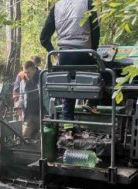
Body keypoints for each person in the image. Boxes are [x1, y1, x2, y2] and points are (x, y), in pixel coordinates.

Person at [39, 0, 100, 139]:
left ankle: (68, 130)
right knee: (102, 74)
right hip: (84, 53)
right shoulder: (87, 3)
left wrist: (54, 52)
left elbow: (43, 37)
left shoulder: (57, 7)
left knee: (67, 87)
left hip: (65, 55)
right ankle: (91, 103)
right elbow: (95, 32)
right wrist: (93, 51)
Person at [17, 60, 41, 140]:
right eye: (25, 72)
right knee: (25, 136)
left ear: (34, 70)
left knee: (40, 137)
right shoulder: (22, 82)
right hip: (28, 114)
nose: (27, 75)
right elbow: (22, 97)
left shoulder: (41, 78)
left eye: (28, 72)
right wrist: (19, 106)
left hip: (40, 114)